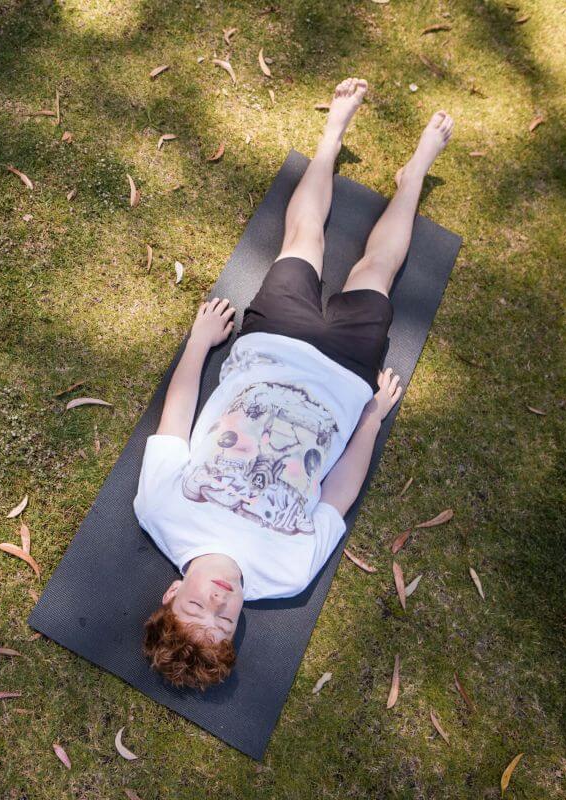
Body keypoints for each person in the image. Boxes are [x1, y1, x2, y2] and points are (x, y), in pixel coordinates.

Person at [133, 78, 454, 690]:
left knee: (302, 240)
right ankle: (412, 177)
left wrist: (199, 343)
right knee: (375, 271)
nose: (219, 603)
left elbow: (174, 424)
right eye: (224, 624)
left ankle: (331, 138)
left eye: (196, 607)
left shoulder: (159, 513)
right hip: (343, 377)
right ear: (237, 631)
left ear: (173, 593)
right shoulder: (287, 574)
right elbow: (337, 496)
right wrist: (370, 421)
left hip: (269, 346)